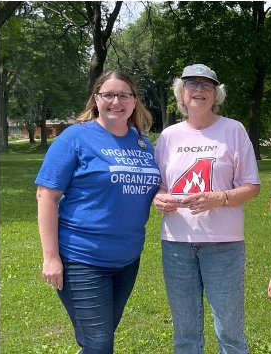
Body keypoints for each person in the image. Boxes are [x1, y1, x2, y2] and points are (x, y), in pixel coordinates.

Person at [35, 70, 161, 354]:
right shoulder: (76, 138)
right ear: (96, 99)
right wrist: (51, 257)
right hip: (82, 259)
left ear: (134, 101)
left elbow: (150, 186)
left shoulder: (141, 141)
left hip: (127, 260)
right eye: (109, 95)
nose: (116, 101)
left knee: (98, 340)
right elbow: (46, 196)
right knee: (99, 344)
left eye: (124, 95)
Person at [153, 63, 261, 354]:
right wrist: (158, 198)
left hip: (223, 244)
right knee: (185, 333)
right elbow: (159, 185)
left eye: (206, 85)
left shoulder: (233, 130)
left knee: (229, 330)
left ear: (216, 94)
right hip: (176, 244)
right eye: (192, 84)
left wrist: (221, 198)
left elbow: (252, 185)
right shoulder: (168, 136)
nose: (198, 89)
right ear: (181, 92)